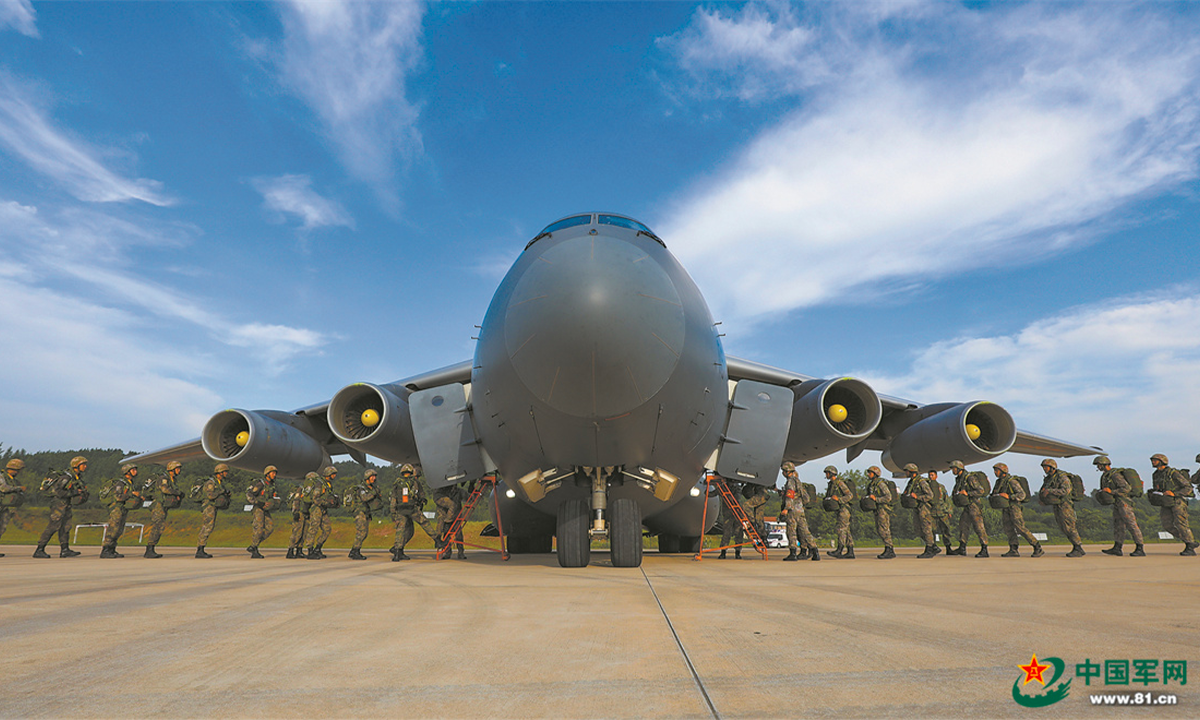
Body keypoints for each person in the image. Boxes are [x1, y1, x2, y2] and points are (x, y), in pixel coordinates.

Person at [34, 455, 88, 558]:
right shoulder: (66, 477)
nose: (85, 466)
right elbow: (57, 492)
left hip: (66, 504)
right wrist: (74, 492)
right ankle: (39, 549)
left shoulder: (75, 477)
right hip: (59, 504)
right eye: (83, 464)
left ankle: (65, 550)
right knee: (53, 526)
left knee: (66, 527)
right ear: (76, 465)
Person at [1093, 456, 1144, 557]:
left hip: (1124, 502)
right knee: (1118, 525)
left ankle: (1140, 548)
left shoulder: (1115, 475)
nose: (1098, 467)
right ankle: (1117, 547)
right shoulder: (1106, 476)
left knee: (1131, 524)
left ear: (1104, 464)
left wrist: (1111, 491)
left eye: (1099, 465)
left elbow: (1126, 488)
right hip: (1117, 503)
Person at [990, 463, 1043, 557]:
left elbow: (1022, 495)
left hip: (1014, 508)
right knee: (1008, 529)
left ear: (1003, 471)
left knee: (1020, 528)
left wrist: (1009, 496)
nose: (995, 472)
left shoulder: (1012, 481)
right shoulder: (999, 482)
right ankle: (1013, 549)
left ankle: (1037, 547)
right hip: (1006, 508)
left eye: (996, 470)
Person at [1150, 453, 1197, 556]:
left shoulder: (1173, 473)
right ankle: (1190, 541)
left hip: (1177, 502)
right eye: (1152, 460)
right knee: (1166, 525)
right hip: (1165, 502)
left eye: (1155, 460)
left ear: (1162, 461)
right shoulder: (1156, 474)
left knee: (1181, 524)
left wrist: (1175, 494)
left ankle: (1190, 546)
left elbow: (1188, 487)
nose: (1153, 462)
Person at [390, 464, 437, 561]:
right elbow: (420, 495)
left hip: (401, 510)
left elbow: (393, 499)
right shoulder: (415, 482)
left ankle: (397, 553)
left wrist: (393, 513)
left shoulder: (397, 483)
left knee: (401, 531)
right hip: (412, 509)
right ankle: (437, 539)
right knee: (424, 523)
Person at [1038, 459, 1084, 557]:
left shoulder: (1062, 477)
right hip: (1057, 505)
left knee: (1069, 526)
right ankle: (1076, 546)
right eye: (1043, 467)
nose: (1044, 469)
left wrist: (1050, 491)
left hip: (1065, 505)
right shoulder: (1049, 478)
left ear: (1052, 467)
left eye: (1046, 467)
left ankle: (1078, 547)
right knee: (1063, 527)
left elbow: (1066, 490)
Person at [142, 460, 184, 558]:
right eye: (177, 469)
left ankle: (151, 548)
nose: (179, 470)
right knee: (157, 526)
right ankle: (149, 549)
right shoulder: (164, 478)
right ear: (172, 470)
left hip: (164, 506)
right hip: (158, 505)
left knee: (160, 527)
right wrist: (177, 493)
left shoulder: (172, 480)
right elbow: (164, 489)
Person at [948, 460, 990, 558]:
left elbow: (980, 491)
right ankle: (962, 547)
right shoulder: (960, 479)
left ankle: (984, 548)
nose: (952, 470)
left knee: (979, 527)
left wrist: (968, 494)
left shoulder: (970, 478)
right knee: (963, 525)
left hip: (974, 506)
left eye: (953, 468)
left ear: (959, 468)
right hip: (967, 507)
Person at [779, 462, 819, 562]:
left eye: (784, 471)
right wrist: (800, 505)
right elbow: (806, 498)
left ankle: (793, 553)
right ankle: (815, 552)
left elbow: (790, 496)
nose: (783, 473)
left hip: (792, 510)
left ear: (787, 472)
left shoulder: (790, 482)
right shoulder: (798, 482)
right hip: (800, 510)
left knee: (791, 531)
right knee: (805, 531)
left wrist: (786, 509)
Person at [100, 463, 141, 558]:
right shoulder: (121, 483)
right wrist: (132, 494)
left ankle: (112, 549)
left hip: (123, 508)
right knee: (113, 529)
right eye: (133, 470)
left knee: (119, 530)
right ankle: (105, 550)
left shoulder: (130, 483)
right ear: (127, 472)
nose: (135, 471)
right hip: (116, 509)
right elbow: (118, 496)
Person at [195, 464, 232, 559]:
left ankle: (201, 548)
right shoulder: (211, 483)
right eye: (225, 472)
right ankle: (200, 549)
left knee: (209, 526)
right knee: (207, 526)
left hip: (212, 507)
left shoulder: (218, 483)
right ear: (220, 472)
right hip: (208, 507)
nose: (226, 474)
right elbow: (210, 495)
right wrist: (221, 492)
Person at [902, 463, 939, 558]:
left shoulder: (921, 482)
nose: (906, 473)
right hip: (917, 508)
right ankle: (933, 546)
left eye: (907, 471)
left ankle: (929, 548)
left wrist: (917, 497)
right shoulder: (912, 482)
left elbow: (930, 495)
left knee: (926, 529)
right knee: (918, 529)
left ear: (912, 472)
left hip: (924, 508)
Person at [346, 469, 383, 560]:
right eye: (372, 476)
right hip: (359, 512)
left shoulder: (369, 488)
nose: (374, 478)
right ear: (367, 477)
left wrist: (369, 515)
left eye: (375, 476)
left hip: (365, 512)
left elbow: (368, 504)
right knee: (361, 532)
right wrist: (374, 492)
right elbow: (364, 498)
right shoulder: (361, 488)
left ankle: (354, 551)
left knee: (364, 533)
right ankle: (355, 551)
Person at [305, 466, 340, 559]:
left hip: (323, 509)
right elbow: (315, 498)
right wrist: (326, 503)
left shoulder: (328, 484)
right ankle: (310, 550)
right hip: (316, 509)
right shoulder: (319, 484)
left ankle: (318, 548)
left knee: (327, 529)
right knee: (313, 529)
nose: (335, 476)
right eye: (333, 474)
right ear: (328, 474)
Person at [245, 465, 278, 559]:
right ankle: (254, 550)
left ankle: (253, 545)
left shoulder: (271, 485)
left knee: (270, 527)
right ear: (267, 474)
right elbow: (249, 494)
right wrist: (257, 502)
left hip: (265, 509)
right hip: (258, 509)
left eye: (275, 473)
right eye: (273, 473)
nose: (274, 475)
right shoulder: (260, 484)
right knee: (258, 529)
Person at [862, 465, 895, 559]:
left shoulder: (880, 484)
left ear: (875, 474)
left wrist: (876, 499)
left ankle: (889, 549)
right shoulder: (872, 484)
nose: (868, 474)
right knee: (880, 530)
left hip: (883, 509)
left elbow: (888, 497)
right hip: (877, 509)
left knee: (884, 529)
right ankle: (888, 548)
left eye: (870, 473)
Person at [824, 465, 855, 559]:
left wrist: (839, 499)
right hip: (840, 509)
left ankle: (840, 549)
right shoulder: (832, 484)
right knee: (846, 530)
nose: (826, 475)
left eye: (827, 473)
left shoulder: (839, 483)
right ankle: (850, 551)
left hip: (844, 509)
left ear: (831, 473)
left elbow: (850, 495)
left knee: (841, 529)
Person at [0, 458, 29, 555]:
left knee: (2, 528)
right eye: (18, 470)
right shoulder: (2, 477)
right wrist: (18, 488)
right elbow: (3, 488)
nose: (19, 472)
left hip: (5, 507)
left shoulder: (14, 480)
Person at [433, 482, 467, 559]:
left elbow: (468, 497)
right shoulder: (443, 495)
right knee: (447, 534)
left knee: (458, 535)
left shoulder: (459, 492)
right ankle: (447, 552)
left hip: (456, 517)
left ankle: (460, 552)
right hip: (447, 519)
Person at [287, 473, 316, 558]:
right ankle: (290, 550)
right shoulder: (301, 489)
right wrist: (295, 512)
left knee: (304, 532)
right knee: (297, 532)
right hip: (300, 512)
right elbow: (296, 500)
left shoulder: (310, 490)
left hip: (306, 513)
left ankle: (299, 550)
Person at [928, 469, 954, 555]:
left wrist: (949, 511)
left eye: (932, 475)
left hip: (942, 512)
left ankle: (948, 547)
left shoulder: (941, 487)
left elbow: (946, 499)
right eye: (930, 475)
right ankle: (933, 547)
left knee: (946, 530)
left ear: (936, 476)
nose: (931, 477)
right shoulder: (927, 487)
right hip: (931, 512)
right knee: (931, 530)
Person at [718, 479, 746, 559]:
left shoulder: (736, 488)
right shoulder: (723, 487)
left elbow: (736, 497)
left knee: (738, 532)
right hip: (728, 514)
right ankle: (723, 552)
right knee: (726, 533)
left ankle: (737, 552)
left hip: (736, 513)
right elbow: (710, 494)